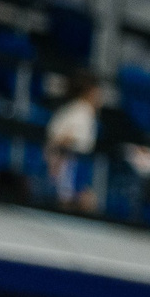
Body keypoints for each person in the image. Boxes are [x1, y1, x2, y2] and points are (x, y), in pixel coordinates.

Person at [44, 72, 103, 212]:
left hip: (73, 166)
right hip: (68, 166)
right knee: (74, 203)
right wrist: (56, 166)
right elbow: (63, 139)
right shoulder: (82, 112)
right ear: (90, 92)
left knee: (87, 202)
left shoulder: (76, 109)